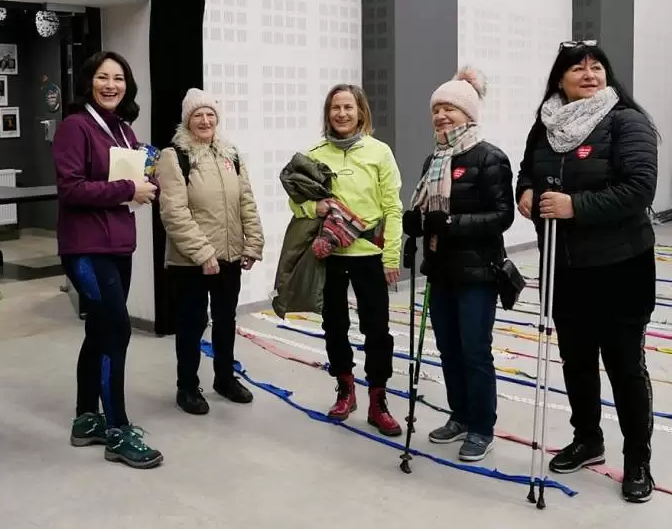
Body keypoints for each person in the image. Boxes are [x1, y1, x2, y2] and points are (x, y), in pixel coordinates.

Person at [515, 40, 659, 503]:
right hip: (565, 268)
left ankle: (637, 459)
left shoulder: (626, 121)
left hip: (621, 268)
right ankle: (588, 439)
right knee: (576, 361)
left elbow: (639, 189)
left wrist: (574, 206)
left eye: (597, 67)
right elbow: (528, 171)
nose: (589, 75)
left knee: (624, 366)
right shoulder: (546, 125)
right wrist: (526, 191)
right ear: (560, 79)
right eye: (578, 69)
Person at [52, 51, 162, 469]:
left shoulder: (123, 130)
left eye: (119, 78)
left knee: (100, 331)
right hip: (86, 249)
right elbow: (71, 189)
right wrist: (127, 189)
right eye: (103, 77)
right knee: (116, 331)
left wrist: (147, 183)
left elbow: (125, 183)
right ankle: (117, 430)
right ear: (89, 82)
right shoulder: (75, 126)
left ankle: (86, 419)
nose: (111, 85)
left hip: (118, 245)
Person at [403, 67, 514, 462]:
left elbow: (502, 216)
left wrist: (450, 223)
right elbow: (426, 210)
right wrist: (416, 224)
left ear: (468, 113)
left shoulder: (489, 157)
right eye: (436, 110)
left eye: (449, 108)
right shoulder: (434, 160)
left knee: (474, 351)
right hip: (441, 270)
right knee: (448, 348)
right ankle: (461, 415)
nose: (441, 116)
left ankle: (482, 427)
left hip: (478, 272)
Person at [288, 84, 404, 436]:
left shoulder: (379, 152)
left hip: (370, 255)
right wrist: (314, 207)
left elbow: (393, 208)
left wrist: (391, 257)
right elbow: (296, 202)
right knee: (334, 325)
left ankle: (378, 400)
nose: (342, 114)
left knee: (377, 330)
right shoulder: (314, 154)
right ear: (328, 113)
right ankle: (345, 389)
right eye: (335, 108)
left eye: (348, 107)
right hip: (331, 256)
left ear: (360, 112)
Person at [156, 88, 264, 414]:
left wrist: (253, 243)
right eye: (197, 115)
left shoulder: (231, 156)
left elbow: (246, 202)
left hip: (229, 256)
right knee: (191, 324)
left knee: (225, 320)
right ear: (187, 120)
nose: (205, 120)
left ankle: (225, 379)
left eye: (210, 114)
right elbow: (173, 213)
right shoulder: (174, 156)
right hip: (191, 261)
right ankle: (187, 387)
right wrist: (203, 253)